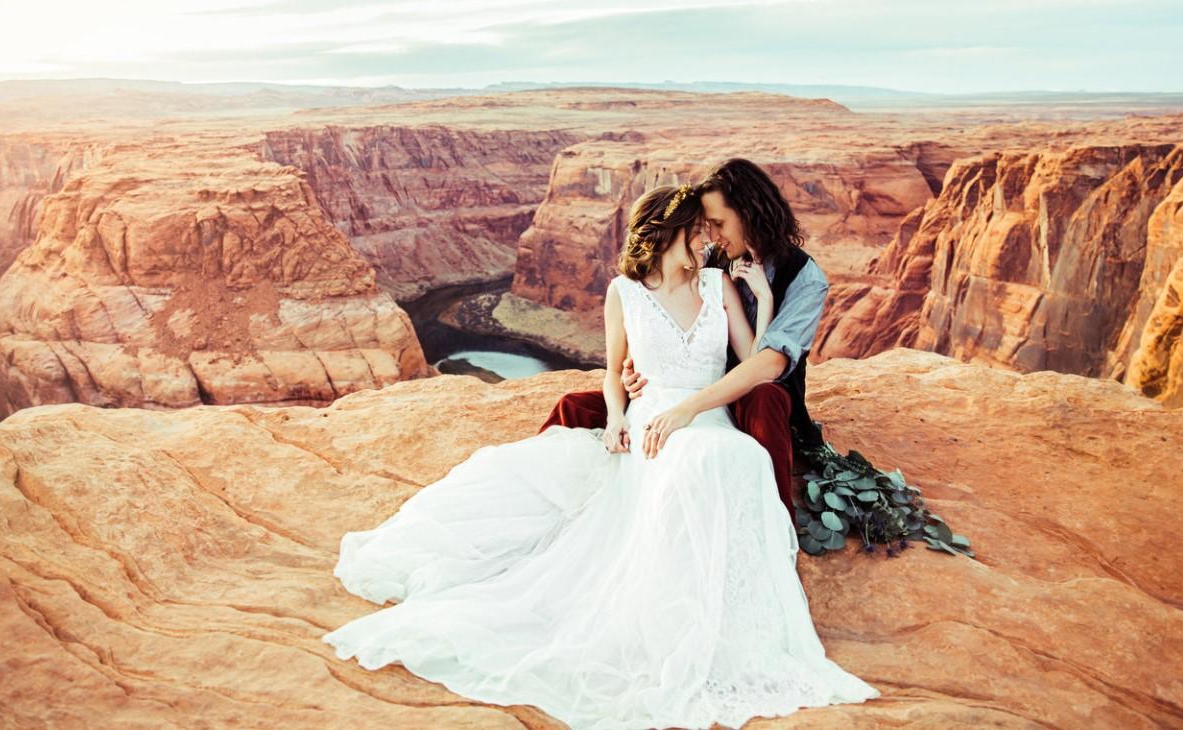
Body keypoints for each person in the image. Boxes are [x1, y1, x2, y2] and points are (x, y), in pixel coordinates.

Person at [321, 183, 879, 729]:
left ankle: (722, 614)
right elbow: (613, 374)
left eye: (710, 228)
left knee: (734, 459)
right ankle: (670, 615)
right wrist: (616, 418)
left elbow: (754, 361)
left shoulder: (718, 283)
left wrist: (765, 297)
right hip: (651, 413)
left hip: (707, 413)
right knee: (690, 463)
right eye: (697, 230)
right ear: (668, 233)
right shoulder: (624, 292)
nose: (707, 239)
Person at [541, 157, 832, 519]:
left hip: (746, 395)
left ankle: (773, 517)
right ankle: (547, 500)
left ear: (749, 213)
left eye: (717, 224)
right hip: (670, 396)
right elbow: (662, 306)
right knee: (574, 408)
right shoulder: (708, 257)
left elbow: (766, 364)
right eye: (703, 227)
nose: (710, 238)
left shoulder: (804, 278)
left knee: (765, 399)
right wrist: (637, 365)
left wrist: (688, 407)